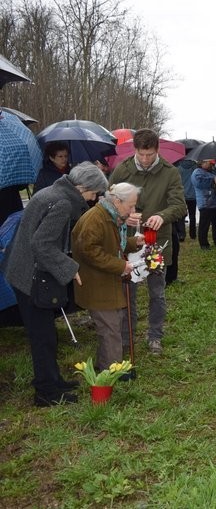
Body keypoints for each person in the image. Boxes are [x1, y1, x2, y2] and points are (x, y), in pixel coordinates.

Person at [4, 162, 108, 406]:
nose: (93, 199)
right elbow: (42, 244)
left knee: (46, 334)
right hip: (29, 276)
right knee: (43, 337)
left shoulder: (51, 191)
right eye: (93, 193)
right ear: (82, 188)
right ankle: (46, 392)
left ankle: (53, 380)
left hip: (21, 270)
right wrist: (71, 269)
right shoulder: (61, 203)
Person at [109, 128, 186, 355]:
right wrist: (123, 215)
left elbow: (180, 205)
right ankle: (126, 337)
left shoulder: (170, 172)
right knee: (127, 293)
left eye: (150, 155)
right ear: (135, 150)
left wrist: (162, 216)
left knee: (157, 293)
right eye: (141, 155)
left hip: (157, 242)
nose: (144, 160)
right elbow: (108, 200)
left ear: (157, 150)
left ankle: (155, 337)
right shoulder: (122, 170)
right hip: (127, 241)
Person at [71, 183, 142, 372]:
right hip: (97, 284)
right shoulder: (96, 218)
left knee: (112, 326)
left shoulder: (110, 215)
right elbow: (89, 251)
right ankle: (109, 375)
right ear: (117, 201)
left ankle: (109, 367)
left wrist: (134, 243)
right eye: (131, 206)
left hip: (106, 282)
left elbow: (113, 243)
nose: (133, 210)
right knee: (110, 330)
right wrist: (121, 266)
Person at [191, 159, 216, 250]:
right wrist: (213, 181)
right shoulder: (197, 173)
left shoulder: (213, 171)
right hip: (205, 203)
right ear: (202, 163)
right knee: (204, 225)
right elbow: (199, 183)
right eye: (208, 162)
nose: (211, 164)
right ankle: (204, 244)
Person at [176, 158, 198, 240]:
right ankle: (193, 235)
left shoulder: (178, 168)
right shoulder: (195, 167)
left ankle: (182, 235)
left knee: (181, 216)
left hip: (182, 195)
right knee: (192, 216)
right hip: (193, 195)